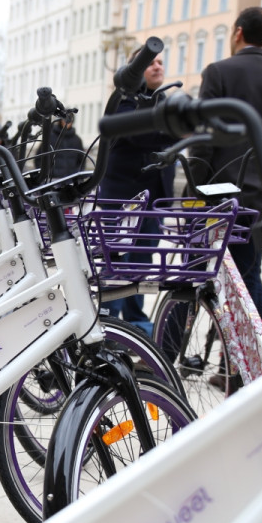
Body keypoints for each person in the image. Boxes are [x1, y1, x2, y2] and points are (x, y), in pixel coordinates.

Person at [193, 6, 262, 315]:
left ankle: (171, 353)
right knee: (248, 273)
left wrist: (197, 190)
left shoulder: (218, 72)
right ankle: (244, 353)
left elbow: (204, 140)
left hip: (223, 197)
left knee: (195, 274)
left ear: (238, 32)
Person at [98, 48, 175, 336]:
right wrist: (177, 130)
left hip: (154, 196)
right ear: (136, 68)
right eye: (150, 63)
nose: (157, 67)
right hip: (122, 196)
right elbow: (140, 134)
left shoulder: (163, 100)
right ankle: (108, 321)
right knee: (115, 259)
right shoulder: (124, 98)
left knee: (143, 258)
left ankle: (135, 322)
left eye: (160, 62)